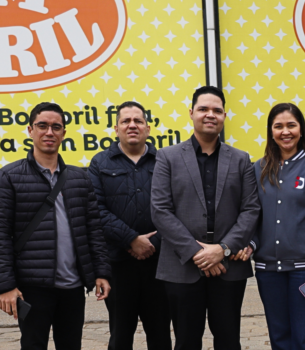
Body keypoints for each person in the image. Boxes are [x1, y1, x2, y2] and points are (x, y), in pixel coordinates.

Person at [150, 86, 261, 350]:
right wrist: (198, 253)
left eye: (217, 110)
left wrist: (222, 250)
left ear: (224, 115)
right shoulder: (168, 157)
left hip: (228, 266)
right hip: (181, 265)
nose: (210, 115)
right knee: (186, 341)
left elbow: (251, 209)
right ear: (191, 113)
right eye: (203, 109)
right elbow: (160, 211)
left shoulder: (240, 159)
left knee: (229, 341)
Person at [0, 102, 111, 349]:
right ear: (30, 130)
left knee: (71, 345)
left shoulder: (79, 178)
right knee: (33, 344)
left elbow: (93, 228)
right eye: (42, 125)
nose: (49, 132)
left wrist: (101, 271)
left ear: (63, 133)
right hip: (32, 286)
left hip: (73, 286)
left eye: (56, 127)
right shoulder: (9, 176)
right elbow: (1, 234)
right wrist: (6, 285)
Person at [247, 103, 305, 350]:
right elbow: (252, 215)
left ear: (301, 129)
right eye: (278, 126)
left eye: (291, 125)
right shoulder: (259, 168)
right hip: (268, 272)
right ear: (271, 131)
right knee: (280, 340)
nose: (285, 132)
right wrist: (251, 243)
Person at [88, 101, 171, 350]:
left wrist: (151, 244)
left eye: (138, 121)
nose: (132, 125)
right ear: (116, 128)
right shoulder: (100, 163)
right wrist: (131, 239)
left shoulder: (165, 161)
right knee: (120, 336)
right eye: (126, 121)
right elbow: (95, 210)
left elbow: (176, 209)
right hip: (118, 266)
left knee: (160, 335)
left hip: (159, 265)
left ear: (147, 128)